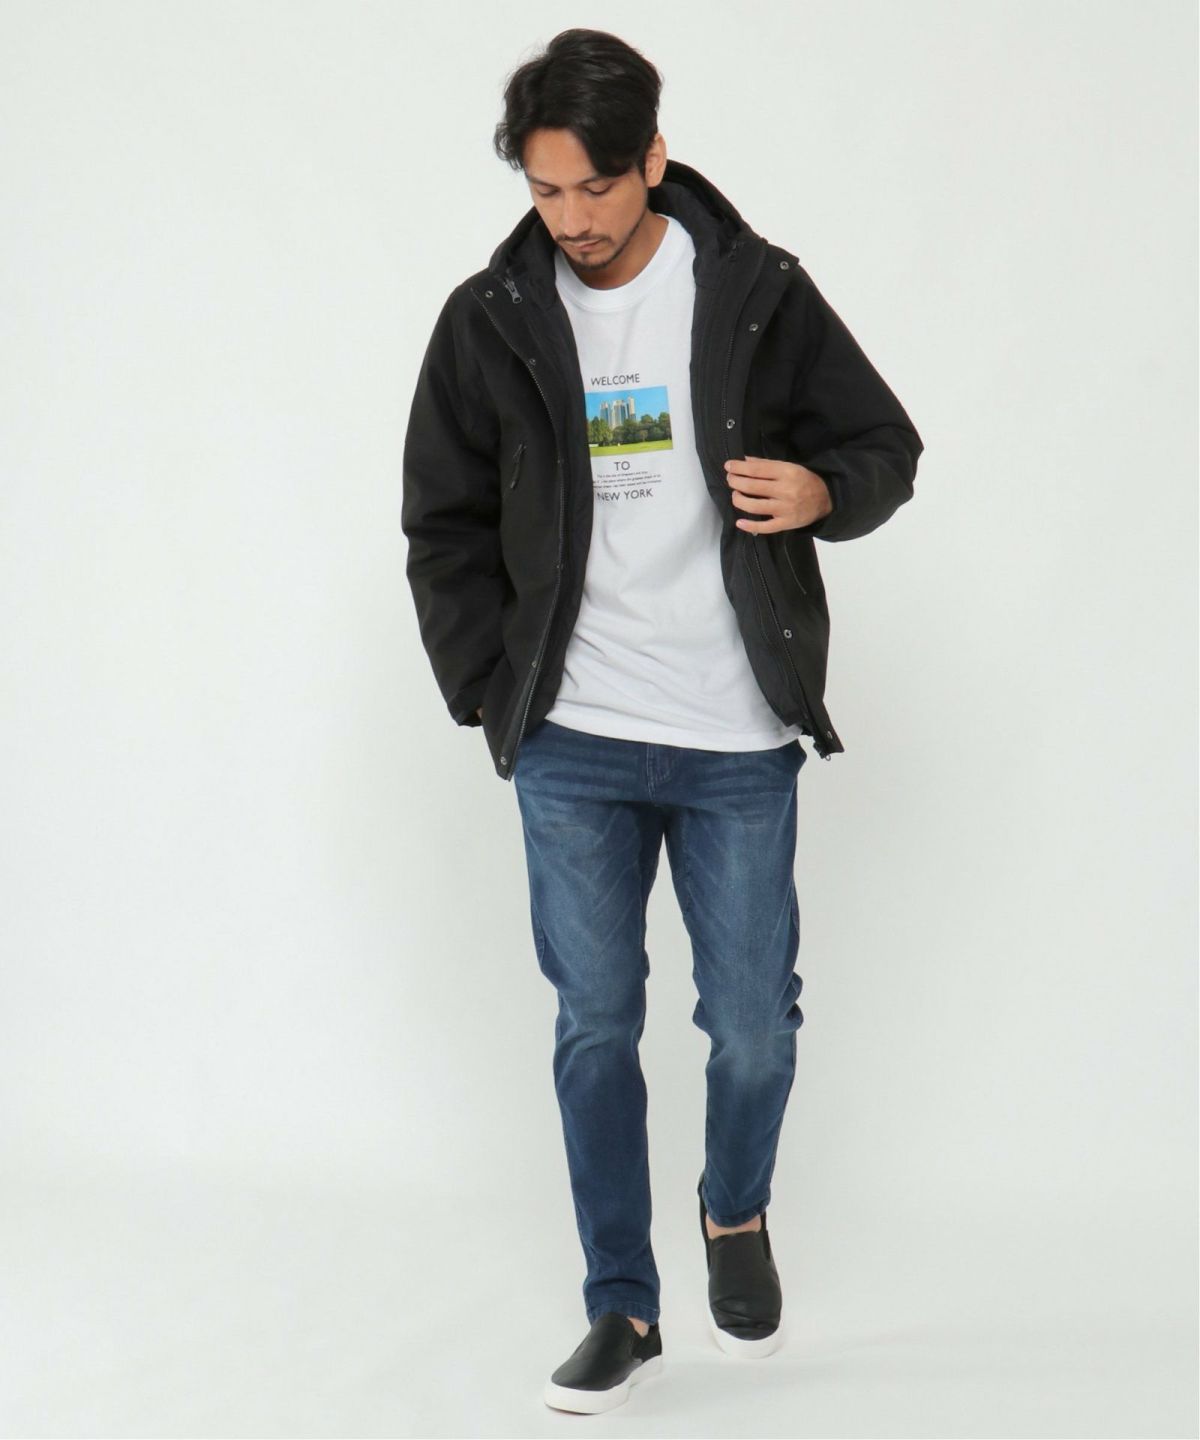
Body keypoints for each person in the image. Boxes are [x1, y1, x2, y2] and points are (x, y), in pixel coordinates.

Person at [401, 27, 923, 1414]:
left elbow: (886, 445)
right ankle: (621, 1306)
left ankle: (733, 1212)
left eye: (594, 187)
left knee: (752, 1028)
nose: (570, 219)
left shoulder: (754, 292)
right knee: (596, 1025)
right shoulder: (489, 318)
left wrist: (824, 493)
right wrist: (490, 690)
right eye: (543, 190)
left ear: (652, 160)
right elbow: (442, 519)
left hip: (734, 734)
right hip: (573, 740)